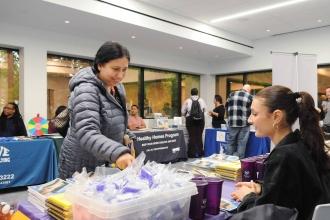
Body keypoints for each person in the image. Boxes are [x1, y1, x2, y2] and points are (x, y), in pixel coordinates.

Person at [231, 85, 330, 220]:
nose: (250, 120)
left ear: (276, 116)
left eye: (255, 114)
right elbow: (295, 191)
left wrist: (247, 197)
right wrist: (262, 188)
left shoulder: (284, 156)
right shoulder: (301, 146)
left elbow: (265, 214)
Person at [59, 41, 135, 179]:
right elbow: (87, 131)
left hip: (104, 159)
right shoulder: (86, 89)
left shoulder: (118, 88)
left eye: (124, 69)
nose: (120, 75)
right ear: (100, 65)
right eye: (115, 69)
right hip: (80, 163)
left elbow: (112, 119)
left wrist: (126, 134)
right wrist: (118, 152)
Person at [226, 84, 253, 159]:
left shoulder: (231, 94)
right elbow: (253, 110)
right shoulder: (250, 97)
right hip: (244, 124)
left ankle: (228, 162)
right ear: (249, 90)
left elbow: (226, 106)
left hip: (232, 123)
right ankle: (239, 163)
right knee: (241, 143)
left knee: (230, 143)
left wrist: (229, 118)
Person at [181, 88, 207, 158]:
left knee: (192, 136)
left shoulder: (187, 101)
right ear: (197, 93)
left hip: (190, 120)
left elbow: (183, 111)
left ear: (191, 93)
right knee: (199, 136)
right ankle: (200, 153)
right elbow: (205, 111)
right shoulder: (202, 100)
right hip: (201, 121)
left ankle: (191, 154)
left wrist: (186, 115)